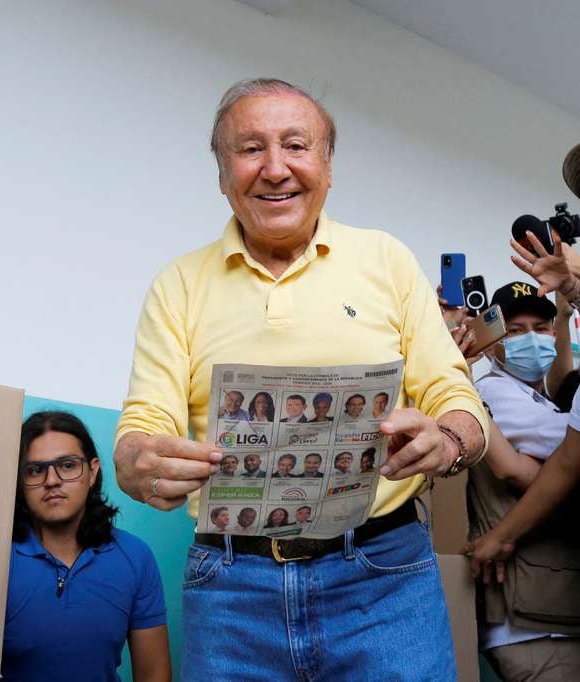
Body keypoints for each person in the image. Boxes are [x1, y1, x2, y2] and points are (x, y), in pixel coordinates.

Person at [113, 77, 486, 679]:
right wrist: (136, 458)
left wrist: (448, 440)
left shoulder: (386, 259)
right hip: (231, 589)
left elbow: (454, 394)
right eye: (250, 148)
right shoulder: (177, 283)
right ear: (221, 172)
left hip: (384, 579)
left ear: (328, 166)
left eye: (296, 145)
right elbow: (145, 419)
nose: (275, 168)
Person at [458, 253, 580, 676]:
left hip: (551, 610)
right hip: (532, 625)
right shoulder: (496, 392)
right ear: (491, 340)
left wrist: (563, 319)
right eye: (515, 331)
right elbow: (565, 450)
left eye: (541, 328)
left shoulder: (537, 395)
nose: (533, 339)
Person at [0, 411, 170, 682]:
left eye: (67, 465)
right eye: (35, 470)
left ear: (92, 472)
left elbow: (155, 674)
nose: (51, 480)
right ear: (20, 483)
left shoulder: (135, 558)